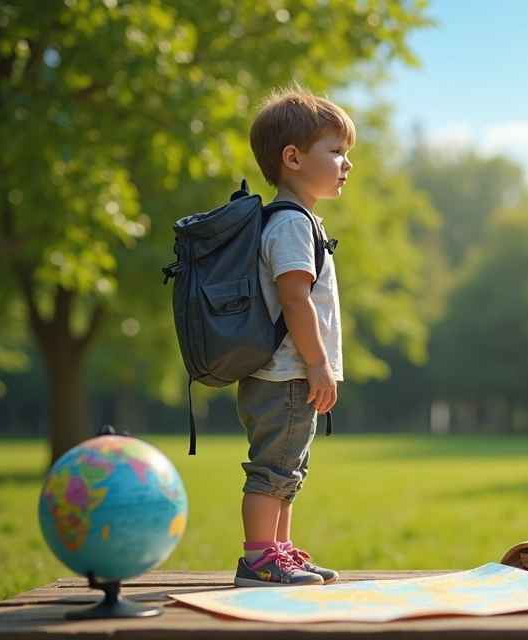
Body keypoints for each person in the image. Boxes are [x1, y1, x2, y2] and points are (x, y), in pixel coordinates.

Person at [232, 85, 352, 587]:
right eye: (336, 151)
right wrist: (319, 363)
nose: (347, 164)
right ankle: (258, 560)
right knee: (273, 470)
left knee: (288, 469)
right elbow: (295, 299)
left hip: (290, 374)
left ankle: (279, 553)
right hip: (285, 373)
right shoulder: (291, 225)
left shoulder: (297, 221)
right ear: (293, 157)